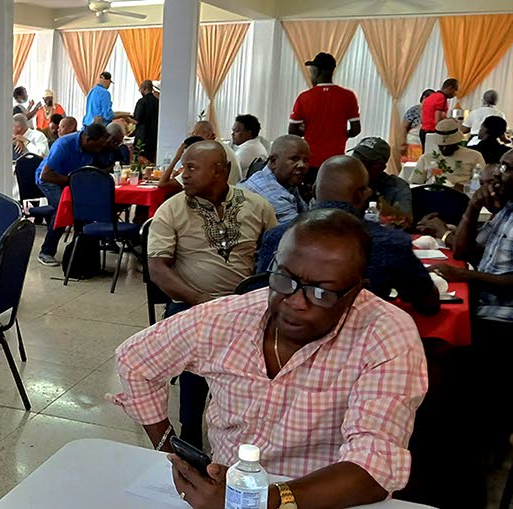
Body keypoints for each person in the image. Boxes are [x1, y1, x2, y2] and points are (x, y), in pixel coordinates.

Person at [116, 208, 427, 509]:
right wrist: (168, 448)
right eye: (284, 279)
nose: (295, 302)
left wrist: (260, 500)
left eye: (321, 292)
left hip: (326, 497)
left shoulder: (386, 334)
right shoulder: (230, 317)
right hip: (226, 489)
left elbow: (373, 468)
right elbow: (135, 360)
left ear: (356, 292)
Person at [144, 140, 277, 448]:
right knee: (198, 347)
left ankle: (251, 432)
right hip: (192, 304)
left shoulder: (257, 207)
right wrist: (204, 302)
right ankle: (190, 432)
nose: (182, 174)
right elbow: (158, 270)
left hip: (248, 307)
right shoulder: (172, 209)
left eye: (191, 167)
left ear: (220, 171)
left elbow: (275, 259)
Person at [258, 155, 439, 313]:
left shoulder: (277, 236)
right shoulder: (391, 243)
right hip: (361, 343)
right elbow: (428, 303)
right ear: (362, 195)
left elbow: (259, 296)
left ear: (314, 191)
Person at [430, 153, 513, 449]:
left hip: (503, 319)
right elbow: (465, 251)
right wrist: (472, 208)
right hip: (483, 307)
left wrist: (467, 278)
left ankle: (469, 443)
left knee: (442, 354)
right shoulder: (507, 211)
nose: (500, 175)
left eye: (508, 169)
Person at [35, 123, 110, 266]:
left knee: (85, 208)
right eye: (97, 146)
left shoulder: (91, 147)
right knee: (64, 208)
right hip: (50, 180)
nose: (98, 150)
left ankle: (79, 251)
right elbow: (45, 176)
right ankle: (46, 252)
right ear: (87, 140)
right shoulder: (64, 145)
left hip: (70, 180)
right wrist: (72, 180)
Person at [288, 52, 361, 184]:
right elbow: (356, 129)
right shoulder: (348, 96)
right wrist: (339, 134)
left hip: (311, 162)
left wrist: (310, 131)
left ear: (317, 71)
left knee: (310, 197)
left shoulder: (305, 97)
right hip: (336, 162)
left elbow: (292, 131)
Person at [239, 135, 310, 223]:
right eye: (294, 159)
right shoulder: (272, 193)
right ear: (273, 161)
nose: (302, 165)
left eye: (306, 160)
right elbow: (299, 231)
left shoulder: (287, 182)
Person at [350, 137, 413, 220]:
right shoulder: (344, 181)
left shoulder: (397, 187)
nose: (358, 167)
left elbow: (405, 220)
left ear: (382, 167)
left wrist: (385, 208)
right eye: (354, 161)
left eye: (366, 163)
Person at [410, 118, 485, 187]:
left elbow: (481, 183)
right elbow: (415, 184)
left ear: (457, 142)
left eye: (449, 145)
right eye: (441, 146)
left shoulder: (474, 156)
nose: (445, 148)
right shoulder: (426, 158)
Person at [421, 78, 459, 151]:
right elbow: (438, 119)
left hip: (423, 130)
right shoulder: (442, 98)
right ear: (450, 88)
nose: (455, 94)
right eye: (455, 91)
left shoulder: (432, 96)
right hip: (433, 132)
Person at [231, 114, 267, 180]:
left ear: (249, 133)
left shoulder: (249, 149)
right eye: (233, 131)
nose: (232, 134)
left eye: (237, 131)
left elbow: (229, 168)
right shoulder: (255, 145)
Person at [401, 90, 434, 162]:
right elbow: (404, 127)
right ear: (424, 98)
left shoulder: (434, 112)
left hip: (426, 145)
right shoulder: (414, 110)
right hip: (412, 143)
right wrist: (402, 143)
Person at [132, 80, 160, 163]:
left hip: (142, 137)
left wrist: (126, 118)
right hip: (154, 137)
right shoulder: (157, 102)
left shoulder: (142, 101)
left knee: (139, 162)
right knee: (150, 162)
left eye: (140, 89)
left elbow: (136, 120)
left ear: (144, 88)